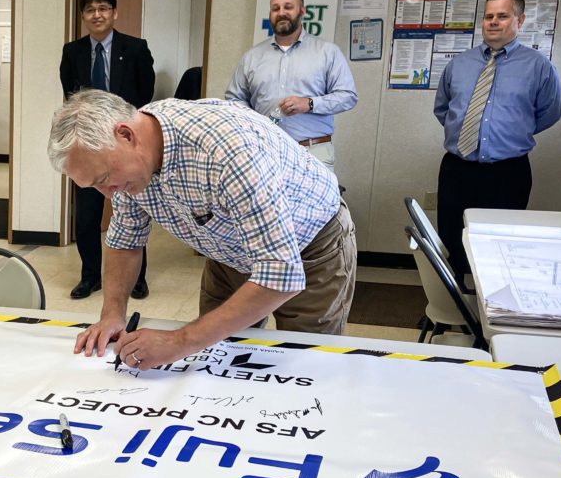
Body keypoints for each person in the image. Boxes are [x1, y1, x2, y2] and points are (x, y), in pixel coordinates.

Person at [47, 89, 357, 369]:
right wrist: (112, 314)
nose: (109, 193)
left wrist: (178, 341)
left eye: (103, 178)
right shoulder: (127, 172)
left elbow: (281, 274)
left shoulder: (226, 151)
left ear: (126, 135)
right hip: (227, 250)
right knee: (219, 358)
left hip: (311, 248)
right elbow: (125, 241)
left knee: (303, 365)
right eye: (95, 186)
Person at [433, 0, 561, 284]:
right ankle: (451, 307)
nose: (493, 22)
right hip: (458, 168)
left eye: (502, 16)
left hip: (508, 171)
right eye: (489, 16)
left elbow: (549, 113)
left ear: (520, 20)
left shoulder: (538, 67)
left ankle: (492, 307)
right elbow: (443, 109)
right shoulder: (459, 64)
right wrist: (471, 133)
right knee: (452, 239)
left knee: (500, 244)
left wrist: (509, 135)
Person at [59, 0, 155, 300]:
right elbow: (71, 97)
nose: (97, 14)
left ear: (114, 12)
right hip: (89, 147)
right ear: (84, 16)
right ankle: (90, 276)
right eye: (90, 10)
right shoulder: (72, 52)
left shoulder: (136, 48)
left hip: (125, 144)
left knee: (133, 213)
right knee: (86, 216)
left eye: (103, 8)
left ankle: (137, 278)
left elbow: (146, 93)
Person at [225, 0, 357, 170]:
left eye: (288, 7)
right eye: (275, 8)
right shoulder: (252, 57)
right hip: (264, 152)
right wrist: (254, 121)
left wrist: (309, 103)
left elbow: (348, 96)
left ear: (302, 11)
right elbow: (234, 99)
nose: (281, 13)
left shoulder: (327, 52)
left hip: (312, 153)